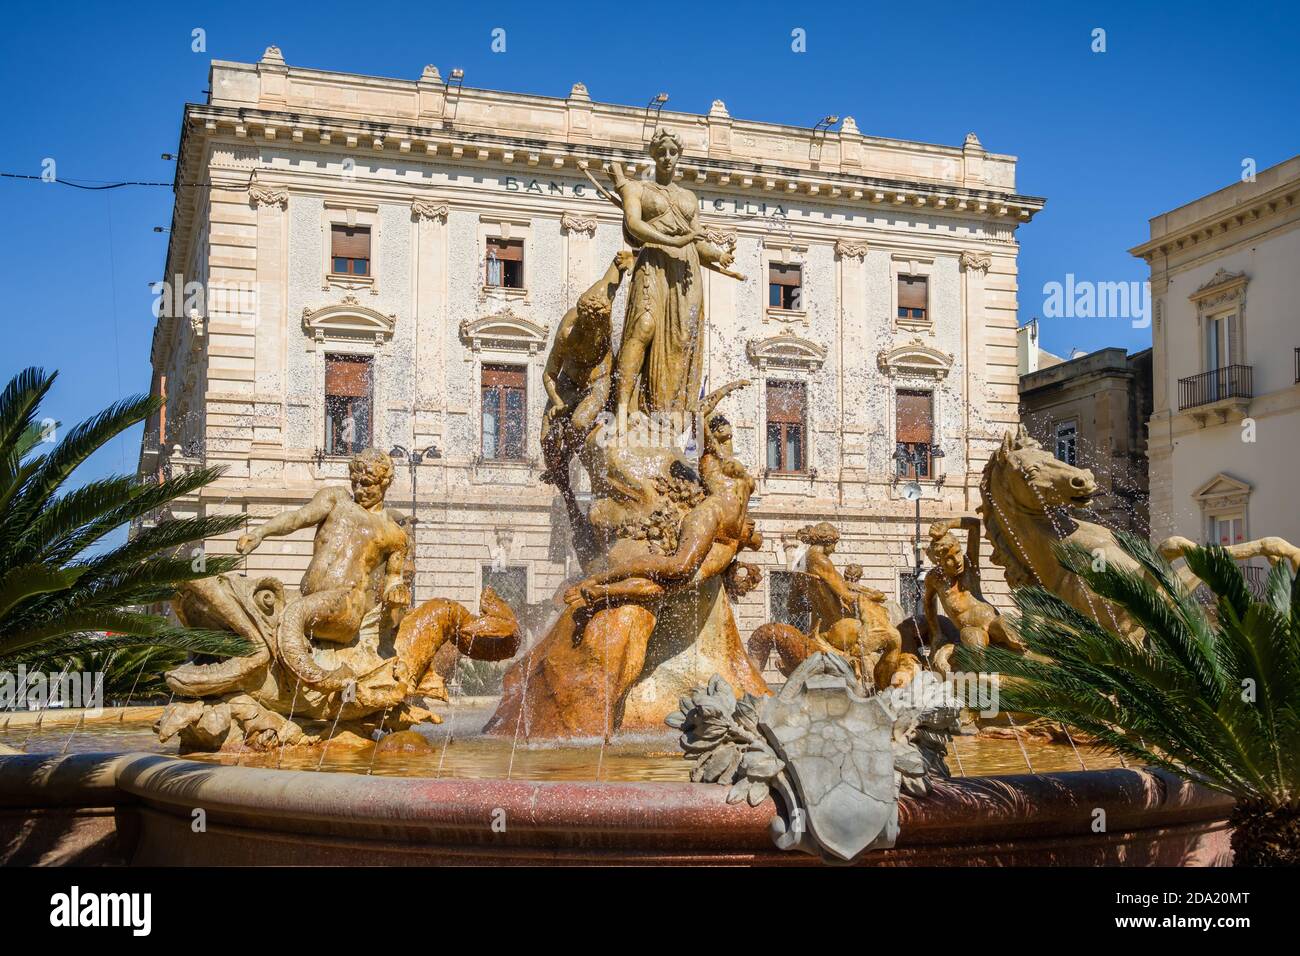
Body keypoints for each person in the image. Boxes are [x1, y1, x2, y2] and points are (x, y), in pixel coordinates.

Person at [236, 448, 410, 691]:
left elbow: (394, 578)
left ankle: (323, 681)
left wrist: (396, 592)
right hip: (308, 598)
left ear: (384, 483)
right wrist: (261, 532)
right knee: (247, 599)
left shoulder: (394, 534)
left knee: (295, 613)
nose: (359, 490)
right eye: (355, 483)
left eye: (367, 484)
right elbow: (297, 518)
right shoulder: (336, 499)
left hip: (344, 606)